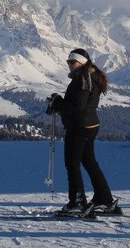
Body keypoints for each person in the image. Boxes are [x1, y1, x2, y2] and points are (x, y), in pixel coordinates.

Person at [47, 48, 120, 216]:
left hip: (79, 127)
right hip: (89, 125)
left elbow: (77, 106)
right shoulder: (89, 76)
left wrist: (58, 104)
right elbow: (80, 104)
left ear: (81, 63)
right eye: (68, 62)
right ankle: (104, 198)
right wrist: (60, 103)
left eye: (72, 62)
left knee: (72, 164)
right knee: (89, 162)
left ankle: (78, 203)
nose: (70, 65)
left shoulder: (83, 78)